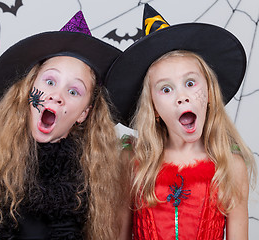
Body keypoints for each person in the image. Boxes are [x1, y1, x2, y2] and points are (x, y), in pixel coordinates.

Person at [0, 11, 130, 239]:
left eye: (74, 91)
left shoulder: (99, 172)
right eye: (50, 81)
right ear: (28, 90)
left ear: (83, 113)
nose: (57, 95)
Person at [105, 4, 257, 239]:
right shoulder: (133, 163)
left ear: (209, 94)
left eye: (190, 83)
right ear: (153, 108)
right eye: (166, 89)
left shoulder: (230, 166)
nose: (182, 96)